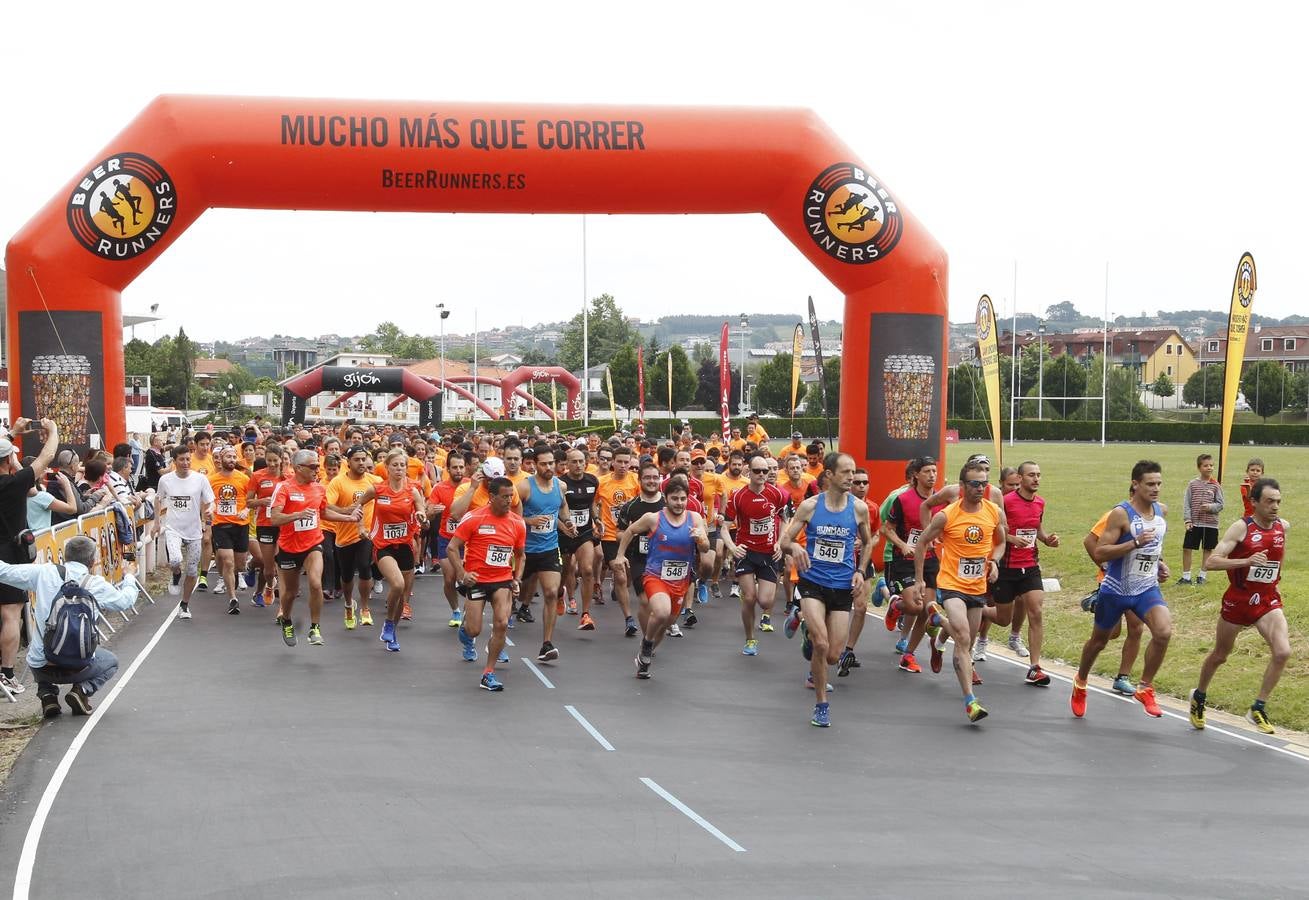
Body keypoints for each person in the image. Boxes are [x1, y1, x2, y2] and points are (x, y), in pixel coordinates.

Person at [1190, 478, 1291, 734]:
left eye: (1278, 501)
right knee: (1221, 655)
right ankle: (1199, 696)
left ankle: (1258, 707)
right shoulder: (1240, 528)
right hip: (1238, 601)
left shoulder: (1282, 527)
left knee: (1282, 652)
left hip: (1267, 600)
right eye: (1269, 501)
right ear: (1254, 502)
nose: (1275, 506)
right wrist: (1246, 562)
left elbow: (1277, 560)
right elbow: (1211, 563)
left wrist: (1273, 579)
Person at [1072, 460, 1171, 719]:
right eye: (1150, 484)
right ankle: (1081, 681)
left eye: (1159, 483)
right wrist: (1134, 543)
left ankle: (1145, 687)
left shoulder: (1161, 511)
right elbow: (1100, 550)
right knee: (1099, 641)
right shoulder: (1120, 514)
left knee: (1163, 632)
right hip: (1115, 588)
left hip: (1146, 588)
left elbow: (1153, 548)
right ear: (1135, 484)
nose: (1156, 488)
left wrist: (1160, 564)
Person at [781, 453, 875, 727]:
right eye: (845, 472)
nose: (851, 478)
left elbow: (868, 543)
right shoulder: (810, 506)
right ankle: (822, 704)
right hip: (813, 582)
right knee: (822, 646)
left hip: (842, 585)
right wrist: (796, 547)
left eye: (853, 472)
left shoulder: (859, 509)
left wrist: (860, 571)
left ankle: (805, 629)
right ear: (829, 475)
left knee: (833, 654)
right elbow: (785, 540)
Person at [0, 535, 139, 716]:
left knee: (38, 650)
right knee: (111, 662)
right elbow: (125, 601)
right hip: (79, 666)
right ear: (92, 561)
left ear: (65, 556)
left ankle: (47, 694)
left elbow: (5, 572)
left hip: (42, 666)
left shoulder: (44, 572)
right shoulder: (95, 584)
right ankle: (81, 690)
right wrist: (128, 577)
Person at [910, 459, 1003, 724]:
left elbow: (1001, 542)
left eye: (984, 484)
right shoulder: (947, 515)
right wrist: (919, 580)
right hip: (952, 585)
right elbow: (921, 544)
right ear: (962, 486)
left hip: (978, 587)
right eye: (974, 484)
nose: (980, 488)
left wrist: (994, 561)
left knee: (967, 643)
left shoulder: (994, 511)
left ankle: (939, 621)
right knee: (962, 636)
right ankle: (970, 701)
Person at [616, 475, 709, 679]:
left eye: (683, 499)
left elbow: (706, 547)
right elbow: (630, 531)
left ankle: (644, 654)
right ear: (666, 498)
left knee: (667, 621)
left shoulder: (695, 518)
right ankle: (647, 644)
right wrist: (620, 555)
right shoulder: (654, 518)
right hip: (655, 575)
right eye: (675, 498)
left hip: (680, 580)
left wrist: (700, 539)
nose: (679, 503)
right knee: (661, 611)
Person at [268, 450, 358, 647]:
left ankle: (315, 628)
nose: (318, 470)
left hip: (313, 543)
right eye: (313, 467)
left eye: (318, 466)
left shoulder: (319, 489)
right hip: (289, 547)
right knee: (290, 593)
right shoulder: (284, 488)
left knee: (316, 584)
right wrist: (296, 515)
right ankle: (287, 620)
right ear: (299, 468)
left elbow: (323, 512)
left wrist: (348, 518)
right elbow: (274, 518)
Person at [448, 477, 526, 691]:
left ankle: (488, 673)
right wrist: (463, 573)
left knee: (501, 623)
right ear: (492, 497)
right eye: (504, 496)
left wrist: (517, 578)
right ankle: (465, 633)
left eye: (511, 496)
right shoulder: (474, 518)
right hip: (477, 580)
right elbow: (452, 548)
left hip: (502, 579)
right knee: (474, 630)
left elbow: (521, 555)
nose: (509, 500)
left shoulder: (517, 523)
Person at [0, 419, 59, 696]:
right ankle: (7, 674)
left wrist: (12, 433)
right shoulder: (14, 483)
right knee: (12, 615)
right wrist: (54, 431)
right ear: (9, 459)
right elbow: (46, 457)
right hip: (10, 554)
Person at [350, 449, 427, 652]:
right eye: (395, 465)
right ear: (387, 468)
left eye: (403, 465)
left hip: (406, 546)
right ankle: (388, 623)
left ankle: (392, 628)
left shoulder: (412, 490)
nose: (399, 469)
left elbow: (420, 508)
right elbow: (357, 506)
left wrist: (421, 516)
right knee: (398, 584)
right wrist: (360, 528)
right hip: (383, 546)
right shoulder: (377, 489)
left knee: (402, 594)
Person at [994, 461, 1058, 686]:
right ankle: (980, 612)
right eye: (1032, 475)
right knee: (1003, 619)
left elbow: (1037, 530)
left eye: (1039, 475)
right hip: (1006, 567)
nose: (1036, 479)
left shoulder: (1040, 502)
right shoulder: (1006, 502)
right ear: (1020, 478)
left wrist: (1047, 539)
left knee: (1036, 611)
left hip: (1029, 566)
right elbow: (994, 530)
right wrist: (1010, 538)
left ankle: (1035, 667)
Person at [721, 452, 788, 656]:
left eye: (765, 471)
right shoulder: (738, 496)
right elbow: (723, 526)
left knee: (766, 602)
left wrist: (779, 543)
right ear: (748, 471)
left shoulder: (776, 494)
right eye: (757, 471)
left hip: (768, 552)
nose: (761, 474)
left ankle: (756, 594)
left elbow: (785, 520)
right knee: (749, 598)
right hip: (746, 552)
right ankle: (750, 639)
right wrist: (732, 548)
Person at [517, 444, 574, 662]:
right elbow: (510, 519)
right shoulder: (524, 488)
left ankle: (546, 644)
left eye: (551, 463)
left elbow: (562, 507)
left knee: (551, 592)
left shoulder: (560, 486)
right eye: (544, 464)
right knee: (509, 595)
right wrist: (528, 521)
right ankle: (497, 632)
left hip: (549, 549)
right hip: (523, 551)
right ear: (534, 464)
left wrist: (567, 522)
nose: (549, 467)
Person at [156, 445, 214, 620]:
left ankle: (185, 604)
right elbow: (158, 499)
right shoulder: (166, 480)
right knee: (175, 559)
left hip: (194, 530)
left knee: (192, 571)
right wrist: (157, 523)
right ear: (174, 462)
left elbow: (211, 501)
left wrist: (210, 509)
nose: (186, 462)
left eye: (188, 459)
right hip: (173, 529)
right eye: (182, 459)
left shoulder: (200, 479)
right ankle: (175, 574)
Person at [326, 446, 381, 629]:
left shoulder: (375, 481)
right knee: (347, 575)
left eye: (364, 459)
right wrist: (345, 511)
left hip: (366, 534)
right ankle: (349, 604)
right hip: (344, 536)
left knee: (365, 568)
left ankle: (365, 608)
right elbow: (326, 505)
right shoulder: (338, 482)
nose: (361, 463)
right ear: (348, 462)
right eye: (356, 459)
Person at [558, 447, 600, 625]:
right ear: (567, 464)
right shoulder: (560, 483)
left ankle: (585, 614)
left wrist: (597, 519)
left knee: (587, 570)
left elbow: (592, 505)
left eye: (581, 461)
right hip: (565, 533)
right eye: (573, 461)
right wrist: (564, 525)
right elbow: (557, 509)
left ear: (586, 463)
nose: (578, 465)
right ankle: (562, 593)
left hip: (584, 532)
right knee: (567, 571)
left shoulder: (592, 481)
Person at [208, 446, 251, 614]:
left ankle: (243, 572)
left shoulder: (243, 478)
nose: (232, 460)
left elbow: (251, 499)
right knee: (228, 561)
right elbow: (208, 499)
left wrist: (246, 510)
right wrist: (210, 509)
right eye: (228, 457)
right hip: (220, 524)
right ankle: (233, 598)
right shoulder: (212, 479)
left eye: (234, 457)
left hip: (240, 524)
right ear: (221, 458)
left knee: (239, 564)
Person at [428, 449, 468, 628]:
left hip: (468, 541)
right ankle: (456, 610)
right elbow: (428, 512)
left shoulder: (470, 486)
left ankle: (470, 609)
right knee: (450, 577)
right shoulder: (440, 488)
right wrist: (431, 511)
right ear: (448, 469)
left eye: (461, 467)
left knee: (468, 578)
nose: (458, 470)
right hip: (447, 539)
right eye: (455, 467)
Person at [1178, 453, 1223, 586]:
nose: (1209, 468)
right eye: (1206, 465)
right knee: (1187, 548)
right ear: (1199, 467)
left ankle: (1202, 575)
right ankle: (1186, 577)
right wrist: (1188, 520)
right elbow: (1187, 503)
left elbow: (1220, 504)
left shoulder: (1216, 485)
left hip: (1210, 524)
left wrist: (1210, 507)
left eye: (1211, 465)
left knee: (1207, 549)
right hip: (1194, 523)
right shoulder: (1192, 484)